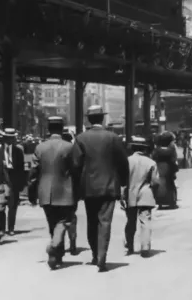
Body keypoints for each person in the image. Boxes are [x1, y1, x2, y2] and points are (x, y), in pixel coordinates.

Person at [72, 105, 129, 272]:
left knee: (92, 221)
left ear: (89, 120)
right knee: (105, 222)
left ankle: (96, 254)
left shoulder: (81, 139)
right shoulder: (113, 137)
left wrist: (77, 186)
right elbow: (123, 163)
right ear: (102, 118)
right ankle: (102, 257)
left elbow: (75, 165)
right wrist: (123, 183)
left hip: (89, 188)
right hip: (110, 186)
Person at [31, 116, 77, 269]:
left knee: (53, 224)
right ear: (62, 128)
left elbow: (33, 173)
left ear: (49, 129)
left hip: (45, 193)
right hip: (65, 192)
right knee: (63, 222)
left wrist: (32, 193)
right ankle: (54, 246)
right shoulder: (69, 147)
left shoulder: (40, 148)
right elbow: (76, 171)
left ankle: (58, 255)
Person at [122, 137, 159, 258]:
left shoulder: (127, 161)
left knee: (130, 221)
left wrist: (122, 196)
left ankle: (130, 246)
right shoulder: (151, 162)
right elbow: (155, 182)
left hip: (130, 194)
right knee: (145, 221)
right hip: (146, 194)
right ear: (145, 148)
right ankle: (145, 248)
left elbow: (122, 181)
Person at [1, 128, 25, 235]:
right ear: (4, 138)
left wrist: (21, 184)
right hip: (1, 182)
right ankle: (0, 229)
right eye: (8, 138)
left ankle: (11, 228)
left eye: (12, 138)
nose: (10, 140)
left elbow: (21, 169)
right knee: (0, 207)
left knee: (12, 207)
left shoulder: (18, 151)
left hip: (14, 182)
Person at [152, 131, 178, 209]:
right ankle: (172, 201)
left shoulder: (157, 149)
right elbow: (174, 159)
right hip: (169, 168)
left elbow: (153, 157)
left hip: (160, 167)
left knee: (160, 183)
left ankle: (160, 201)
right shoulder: (172, 147)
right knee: (171, 184)